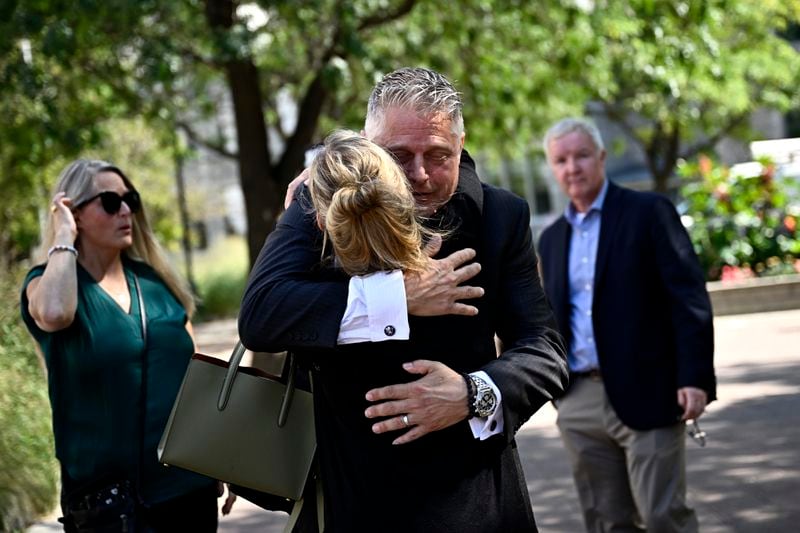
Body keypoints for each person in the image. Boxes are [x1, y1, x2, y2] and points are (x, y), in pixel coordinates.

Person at [239, 67, 568, 532]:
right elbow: (261, 314)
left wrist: (472, 394)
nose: (420, 175)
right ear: (368, 142)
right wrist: (396, 297)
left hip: (474, 499)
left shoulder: (500, 215)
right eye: (399, 155)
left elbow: (544, 351)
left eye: (438, 155)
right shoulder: (317, 201)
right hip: (352, 495)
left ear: (461, 143)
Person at [20, 159, 232, 532]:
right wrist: (63, 239)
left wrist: (215, 455)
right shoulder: (48, 286)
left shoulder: (155, 283)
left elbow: (194, 375)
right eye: (109, 201)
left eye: (129, 199)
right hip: (107, 503)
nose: (125, 211)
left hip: (187, 490)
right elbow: (54, 313)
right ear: (74, 213)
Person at [537, 117, 717, 532]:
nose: (572, 168)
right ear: (552, 167)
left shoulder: (649, 212)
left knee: (662, 516)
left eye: (581, 155)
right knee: (606, 522)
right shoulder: (552, 238)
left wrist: (694, 377)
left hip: (650, 390)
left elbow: (687, 298)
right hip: (579, 398)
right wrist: (557, 393)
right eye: (561, 160)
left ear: (601, 157)